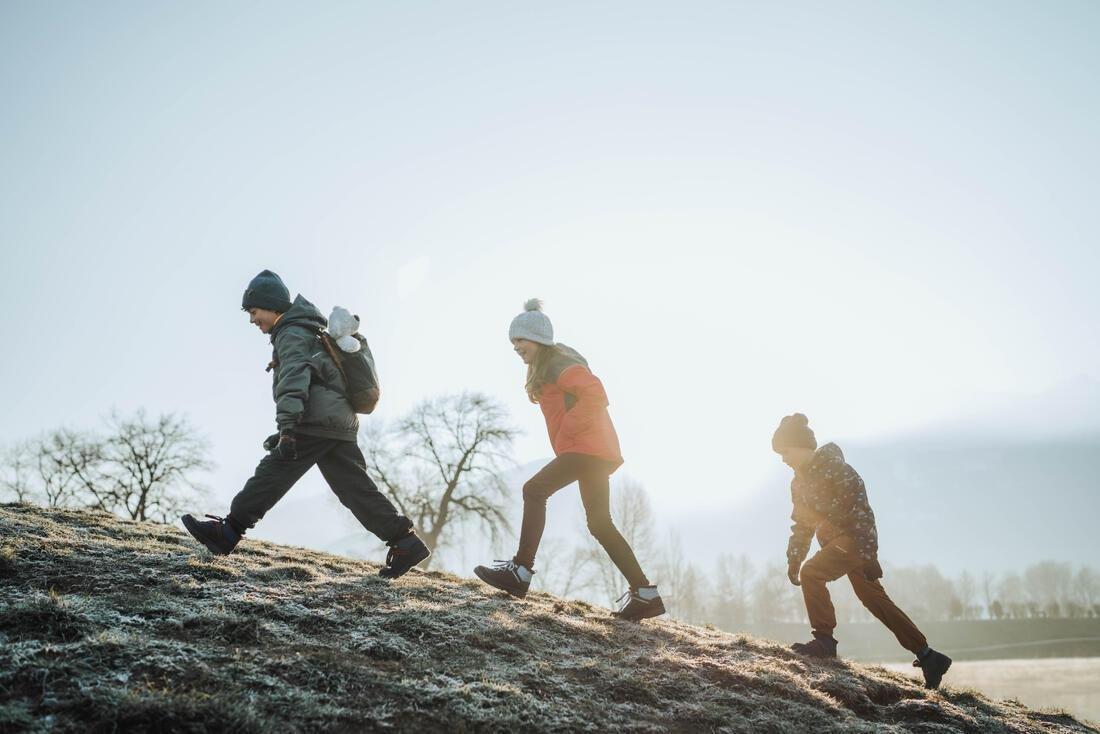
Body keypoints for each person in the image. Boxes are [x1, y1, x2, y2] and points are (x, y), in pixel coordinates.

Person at [181, 270, 429, 579]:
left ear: (271, 306)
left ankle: (228, 532)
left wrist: (287, 427)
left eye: (254, 311)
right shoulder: (308, 330)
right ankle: (405, 542)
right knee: (356, 490)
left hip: (316, 422)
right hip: (338, 422)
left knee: (272, 474)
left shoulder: (292, 332)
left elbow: (295, 378)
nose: (251, 319)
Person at [474, 299, 664, 621]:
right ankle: (645, 593)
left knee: (534, 490)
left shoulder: (558, 362)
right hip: (594, 450)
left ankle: (520, 570)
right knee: (600, 523)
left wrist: (568, 432)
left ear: (538, 338)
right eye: (513, 342)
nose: (516, 347)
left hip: (585, 447)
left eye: (521, 340)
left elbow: (595, 393)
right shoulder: (546, 366)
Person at [772, 413, 952, 689]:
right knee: (873, 598)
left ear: (802, 446)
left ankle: (824, 641)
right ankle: (928, 656)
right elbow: (802, 524)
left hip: (853, 541)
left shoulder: (836, 469)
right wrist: (794, 558)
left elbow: (863, 512)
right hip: (836, 543)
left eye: (785, 451)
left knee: (813, 573)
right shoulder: (798, 483)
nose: (783, 459)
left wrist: (869, 555)